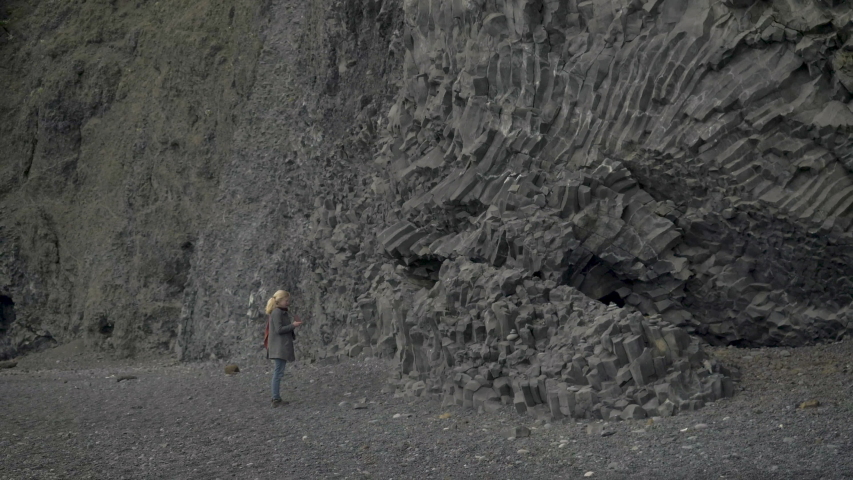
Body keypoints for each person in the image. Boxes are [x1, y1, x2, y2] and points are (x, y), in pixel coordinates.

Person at [265, 290, 303, 407]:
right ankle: (275, 399)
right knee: (278, 372)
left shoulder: (279, 312)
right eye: (286, 300)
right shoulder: (277, 312)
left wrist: (292, 325)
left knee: (278, 372)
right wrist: (293, 325)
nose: (288, 303)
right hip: (279, 348)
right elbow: (279, 330)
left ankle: (276, 398)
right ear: (280, 300)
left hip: (279, 347)